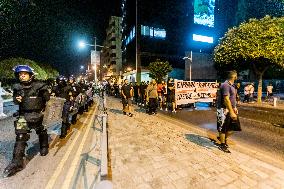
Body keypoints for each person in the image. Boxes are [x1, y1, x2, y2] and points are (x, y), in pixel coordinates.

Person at [3, 65, 50, 177]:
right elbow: (15, 100)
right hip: (23, 115)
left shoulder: (39, 85)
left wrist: (45, 94)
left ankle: (44, 146)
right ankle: (16, 163)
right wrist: (16, 99)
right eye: (20, 74)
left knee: (41, 130)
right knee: (20, 137)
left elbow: (48, 99)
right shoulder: (17, 87)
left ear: (30, 75)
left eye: (24, 73)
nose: (22, 76)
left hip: (38, 114)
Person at [216, 70, 241, 153]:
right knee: (223, 127)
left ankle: (222, 138)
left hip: (230, 109)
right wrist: (231, 111)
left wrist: (234, 107)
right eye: (236, 76)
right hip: (223, 109)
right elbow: (226, 99)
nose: (237, 77)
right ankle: (222, 144)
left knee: (232, 128)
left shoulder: (232, 85)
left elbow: (232, 98)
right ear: (234, 77)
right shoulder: (225, 85)